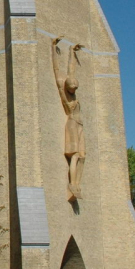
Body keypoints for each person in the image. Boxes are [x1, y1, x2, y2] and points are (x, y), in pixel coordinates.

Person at [52, 36, 85, 201]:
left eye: (75, 88)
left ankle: (77, 183)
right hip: (72, 124)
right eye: (72, 89)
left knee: (82, 156)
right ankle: (72, 184)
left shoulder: (71, 83)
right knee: (75, 155)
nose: (73, 91)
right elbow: (57, 69)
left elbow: (71, 69)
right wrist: (53, 48)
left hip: (80, 125)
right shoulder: (64, 94)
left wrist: (72, 51)